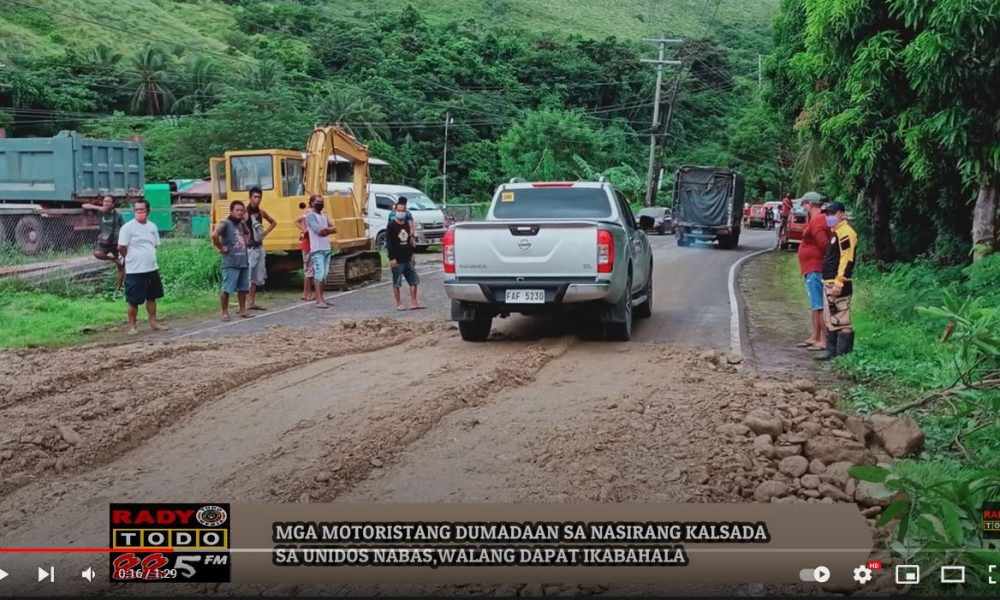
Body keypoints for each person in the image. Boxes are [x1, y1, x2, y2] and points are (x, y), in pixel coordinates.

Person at [814, 201, 858, 361]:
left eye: (832, 214)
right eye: (827, 214)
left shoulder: (846, 233)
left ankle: (843, 357)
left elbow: (847, 259)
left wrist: (840, 282)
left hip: (838, 283)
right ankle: (832, 352)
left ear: (842, 214)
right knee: (831, 317)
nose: (829, 217)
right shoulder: (836, 232)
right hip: (830, 281)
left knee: (842, 319)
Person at [117, 200, 167, 335]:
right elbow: (121, 247)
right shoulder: (128, 228)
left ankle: (153, 322)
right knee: (133, 300)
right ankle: (133, 326)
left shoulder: (152, 227)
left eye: (142, 210)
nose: (139, 212)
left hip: (151, 268)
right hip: (135, 270)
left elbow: (155, 244)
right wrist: (128, 257)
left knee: (152, 297)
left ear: (148, 211)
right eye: (137, 210)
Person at [795, 192, 831, 352]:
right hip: (813, 267)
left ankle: (823, 340)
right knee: (815, 305)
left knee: (818, 305)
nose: (802, 207)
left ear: (809, 204)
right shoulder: (824, 217)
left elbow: (824, 244)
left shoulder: (816, 220)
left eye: (804, 204)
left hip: (815, 267)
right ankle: (815, 337)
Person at [211, 200, 252, 322]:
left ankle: (243, 309)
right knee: (227, 288)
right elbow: (214, 235)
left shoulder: (241, 223)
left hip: (242, 260)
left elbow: (248, 232)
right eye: (237, 210)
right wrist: (221, 247)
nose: (239, 212)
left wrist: (246, 241)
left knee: (243, 288)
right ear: (231, 211)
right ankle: (224, 312)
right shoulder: (226, 223)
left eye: (241, 210)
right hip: (231, 262)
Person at [82, 194, 126, 290]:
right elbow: (84, 205)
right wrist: (99, 208)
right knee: (97, 253)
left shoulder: (118, 215)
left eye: (108, 201)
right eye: (105, 201)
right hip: (105, 241)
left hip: (117, 242)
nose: (106, 203)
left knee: (121, 267)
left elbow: (125, 228)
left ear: (113, 204)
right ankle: (114, 259)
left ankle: (117, 290)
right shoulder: (100, 212)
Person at [244, 186, 277, 311]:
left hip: (258, 246)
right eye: (255, 197)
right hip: (249, 248)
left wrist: (265, 233)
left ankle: (251, 301)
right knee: (247, 276)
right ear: (250, 197)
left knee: (256, 276)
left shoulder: (261, 212)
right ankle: (245, 302)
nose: (257, 199)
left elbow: (273, 222)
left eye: (259, 197)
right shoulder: (245, 213)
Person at [387, 201, 423, 310]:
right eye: (399, 210)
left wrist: (412, 254)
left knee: (414, 280)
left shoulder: (407, 224)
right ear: (395, 211)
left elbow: (409, 241)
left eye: (403, 211)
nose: (401, 213)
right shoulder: (391, 225)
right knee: (397, 282)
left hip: (407, 257)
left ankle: (414, 302)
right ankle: (399, 303)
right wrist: (392, 258)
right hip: (397, 259)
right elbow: (389, 243)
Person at [305, 194, 336, 308]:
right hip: (317, 249)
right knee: (319, 274)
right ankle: (319, 300)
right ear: (312, 203)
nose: (320, 203)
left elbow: (334, 228)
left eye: (321, 201)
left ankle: (322, 298)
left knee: (324, 275)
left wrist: (326, 230)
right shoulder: (310, 216)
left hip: (326, 248)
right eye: (318, 201)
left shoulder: (323, 216)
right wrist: (329, 230)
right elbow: (319, 231)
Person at [294, 199, 315, 302]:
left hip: (309, 243)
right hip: (309, 244)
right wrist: (304, 230)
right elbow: (297, 221)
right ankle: (308, 293)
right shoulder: (310, 213)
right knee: (309, 271)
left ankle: (306, 293)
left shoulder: (309, 212)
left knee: (309, 270)